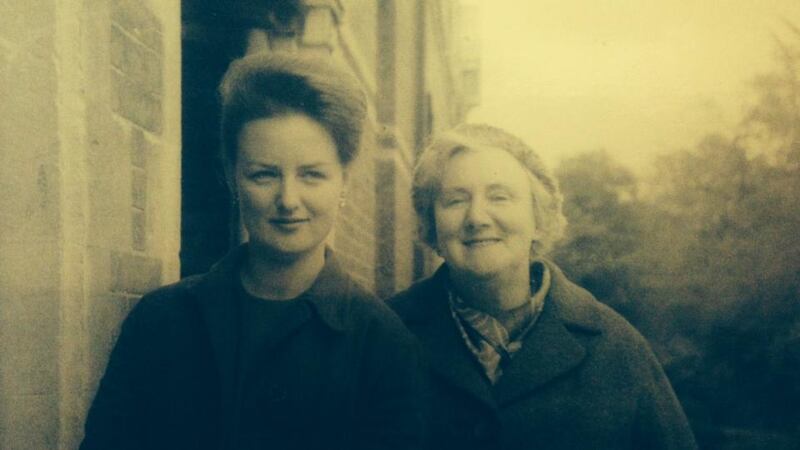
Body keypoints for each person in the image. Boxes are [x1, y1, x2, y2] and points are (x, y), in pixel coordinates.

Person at [81, 52, 425, 450]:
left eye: (312, 175)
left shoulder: (385, 345)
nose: (288, 199)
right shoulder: (159, 322)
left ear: (344, 180)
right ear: (231, 176)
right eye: (264, 174)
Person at [388, 124, 697, 449]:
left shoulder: (616, 347)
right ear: (432, 225)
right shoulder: (384, 334)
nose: (477, 217)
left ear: (538, 219)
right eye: (455, 200)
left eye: (499, 197)